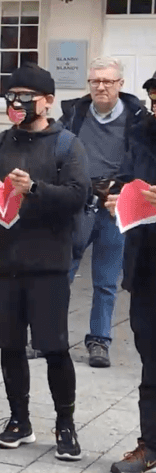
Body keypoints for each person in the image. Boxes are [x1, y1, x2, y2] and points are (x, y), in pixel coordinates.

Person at [0, 63, 89, 460]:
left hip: (48, 263)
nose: (16, 103)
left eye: (25, 97)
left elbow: (78, 196)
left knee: (54, 347)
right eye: (10, 96)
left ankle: (65, 424)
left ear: (47, 101)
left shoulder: (67, 145)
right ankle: (19, 420)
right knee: (10, 345)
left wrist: (34, 188)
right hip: (4, 261)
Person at [61, 57, 148, 369]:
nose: (101, 87)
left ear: (120, 84)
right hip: (78, 205)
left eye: (108, 81)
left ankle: (99, 341)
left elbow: (145, 164)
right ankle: (49, 336)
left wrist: (124, 189)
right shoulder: (74, 114)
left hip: (114, 208)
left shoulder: (139, 120)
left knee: (107, 280)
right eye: (95, 81)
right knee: (61, 272)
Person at [106, 103, 156, 473]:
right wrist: (116, 198)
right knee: (152, 361)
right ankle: (150, 445)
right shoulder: (141, 134)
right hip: (147, 268)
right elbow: (126, 179)